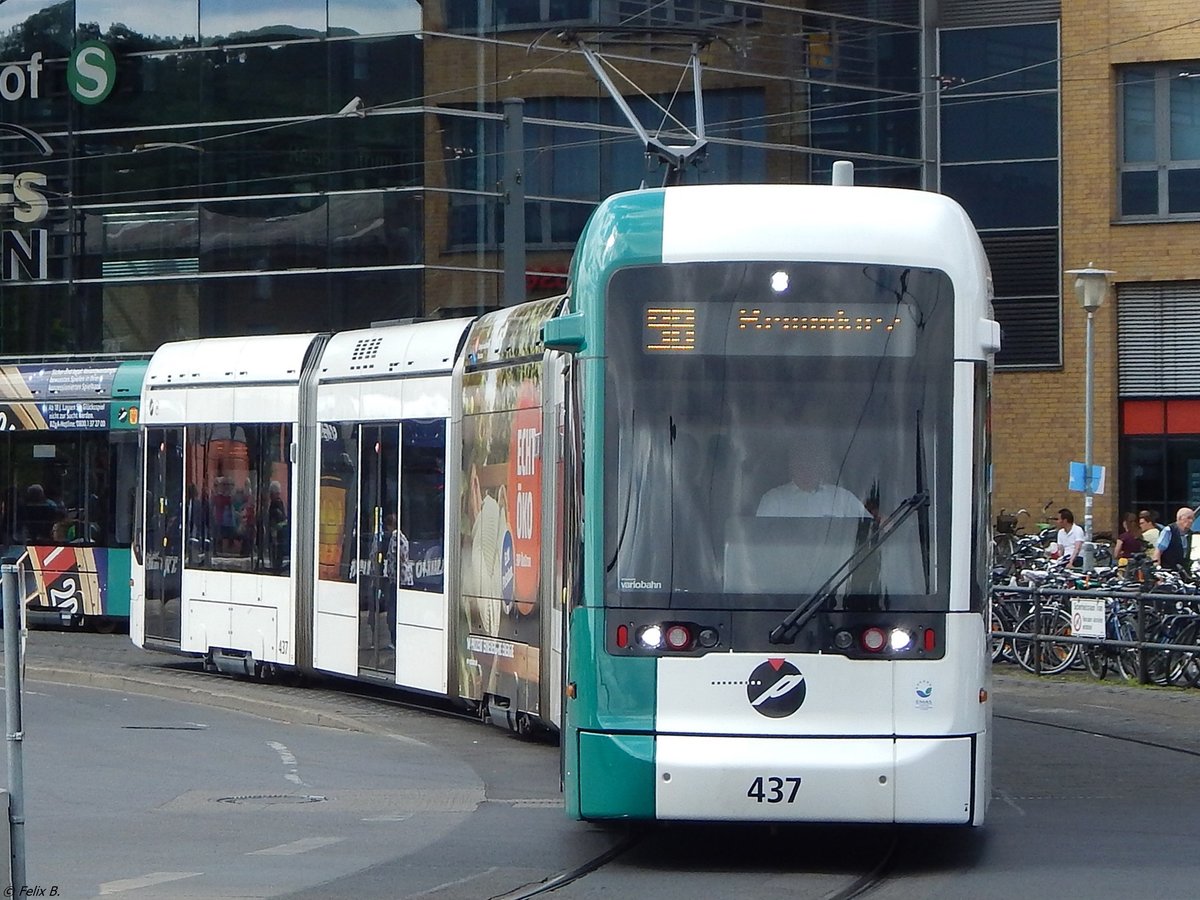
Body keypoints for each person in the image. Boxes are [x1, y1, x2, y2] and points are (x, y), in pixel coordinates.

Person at [756, 445, 867, 518]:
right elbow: (761, 537)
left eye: (811, 460)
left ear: (820, 464)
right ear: (791, 465)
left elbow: (869, 528)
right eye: (800, 461)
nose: (806, 466)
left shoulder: (843, 498)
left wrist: (881, 522)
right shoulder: (773, 500)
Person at [1154, 506, 1194, 574]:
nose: (1191, 521)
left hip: (1183, 571)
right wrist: (1158, 571)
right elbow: (1158, 552)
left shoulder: (1189, 533)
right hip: (1169, 571)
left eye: (1193, 518)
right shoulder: (1169, 530)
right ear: (1180, 518)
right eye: (1188, 518)